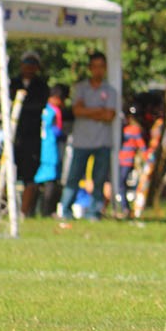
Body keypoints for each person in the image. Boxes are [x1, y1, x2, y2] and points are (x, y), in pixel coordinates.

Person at [59, 51, 118, 221]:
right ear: (90, 68)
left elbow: (109, 115)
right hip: (81, 141)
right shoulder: (80, 88)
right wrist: (99, 110)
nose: (98, 70)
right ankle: (65, 211)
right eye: (95, 66)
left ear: (105, 68)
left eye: (101, 67)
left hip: (102, 143)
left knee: (99, 180)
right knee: (73, 178)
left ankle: (94, 213)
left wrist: (87, 111)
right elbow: (77, 110)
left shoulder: (110, 91)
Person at [10, 51, 50, 217]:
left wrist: (22, 104)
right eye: (27, 63)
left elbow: (38, 106)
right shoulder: (12, 83)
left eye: (33, 64)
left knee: (29, 175)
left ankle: (24, 212)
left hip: (31, 137)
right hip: (13, 135)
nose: (29, 68)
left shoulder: (41, 86)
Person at [33, 84, 67, 216]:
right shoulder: (53, 111)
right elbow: (55, 130)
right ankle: (46, 211)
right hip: (50, 148)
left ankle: (34, 210)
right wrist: (63, 135)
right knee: (50, 180)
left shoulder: (43, 109)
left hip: (42, 148)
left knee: (39, 179)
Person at [118, 105, 147, 217]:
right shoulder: (123, 128)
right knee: (119, 183)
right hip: (120, 159)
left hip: (127, 161)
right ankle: (124, 207)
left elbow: (141, 145)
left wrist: (146, 158)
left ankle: (125, 208)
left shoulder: (135, 130)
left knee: (121, 183)